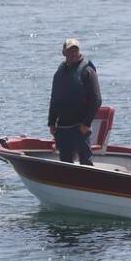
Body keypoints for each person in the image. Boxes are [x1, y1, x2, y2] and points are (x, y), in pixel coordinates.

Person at [47, 38, 102, 166]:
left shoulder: (87, 71)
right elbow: (55, 98)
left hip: (80, 127)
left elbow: (96, 100)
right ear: (63, 52)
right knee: (65, 162)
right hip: (63, 127)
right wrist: (51, 122)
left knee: (85, 161)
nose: (73, 54)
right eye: (70, 51)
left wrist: (86, 124)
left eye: (75, 51)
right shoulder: (59, 72)